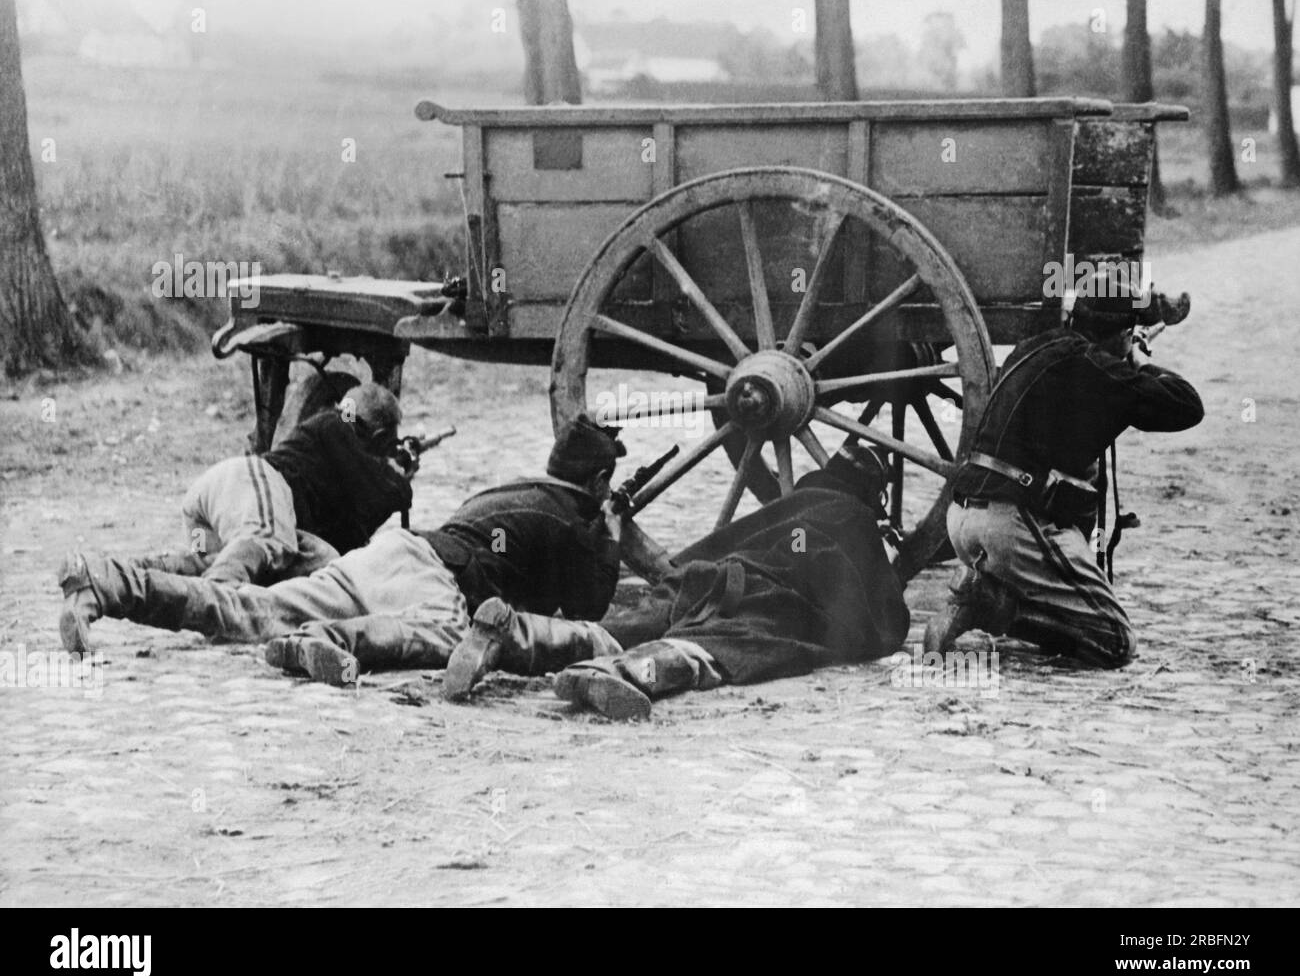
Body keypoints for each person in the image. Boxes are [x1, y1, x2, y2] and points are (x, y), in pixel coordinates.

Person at [55, 415, 628, 683]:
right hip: (436, 581)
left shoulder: (509, 492)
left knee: (250, 608)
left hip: (386, 555)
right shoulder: (567, 518)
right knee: (452, 641)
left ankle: (106, 583)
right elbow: (591, 603)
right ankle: (322, 641)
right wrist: (614, 533)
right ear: (599, 482)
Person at [444, 443, 911, 720]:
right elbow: (884, 617)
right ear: (870, 497)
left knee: (615, 632)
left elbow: (723, 546)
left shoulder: (794, 504)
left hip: (698, 580)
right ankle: (620, 673)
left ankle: (514, 635)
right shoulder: (852, 516)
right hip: (763, 594)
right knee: (722, 647)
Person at [922, 279, 1203, 666]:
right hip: (1010, 524)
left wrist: (1123, 350)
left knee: (1066, 595)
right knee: (1117, 643)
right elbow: (1188, 406)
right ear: (1123, 334)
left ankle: (994, 593)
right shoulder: (1097, 367)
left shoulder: (1036, 347)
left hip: (964, 519)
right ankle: (987, 607)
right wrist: (1138, 359)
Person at [56, 381, 413, 653]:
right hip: (250, 483)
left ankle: (102, 583)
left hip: (224, 505)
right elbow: (378, 488)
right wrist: (399, 476)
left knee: (303, 563)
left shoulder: (333, 441)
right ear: (378, 435)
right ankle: (213, 608)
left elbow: (352, 530)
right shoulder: (337, 424)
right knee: (266, 542)